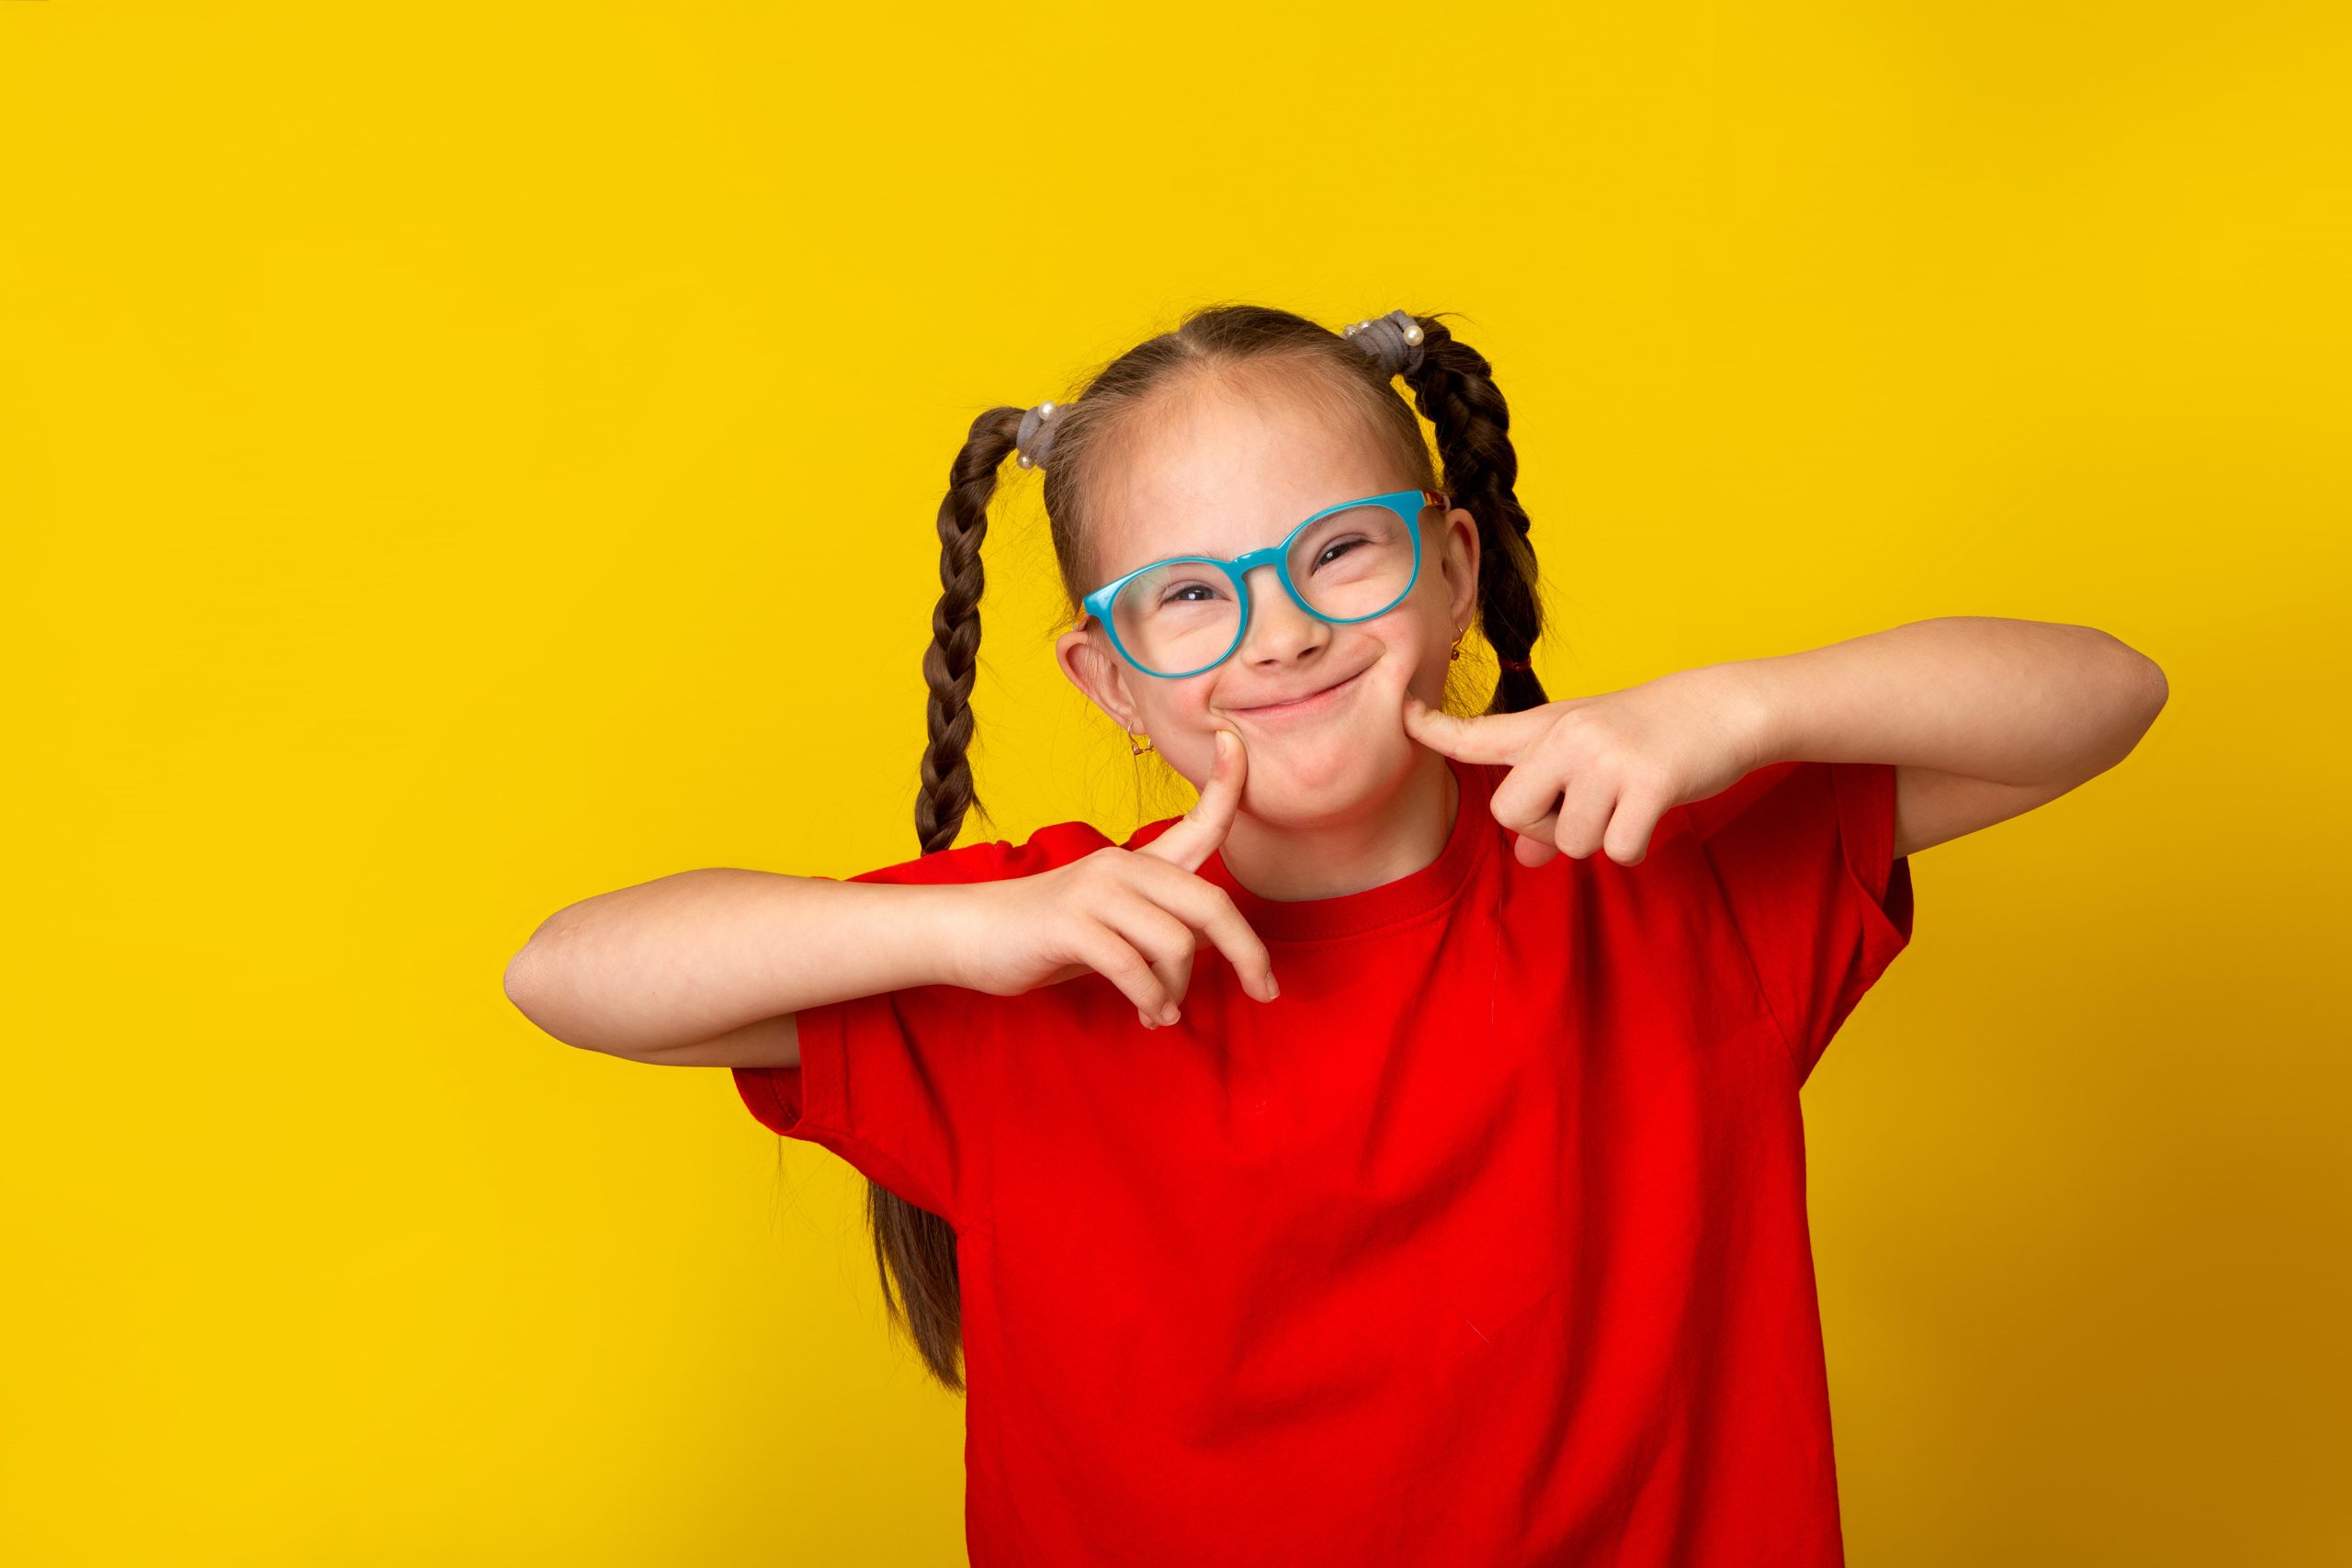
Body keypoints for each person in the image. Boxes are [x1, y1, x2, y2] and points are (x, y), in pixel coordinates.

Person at [503, 304, 2168, 1565]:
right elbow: (569, 974)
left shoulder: (1657, 866)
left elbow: (2102, 697)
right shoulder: (1047, 944)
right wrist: (973, 934)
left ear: (1452, 575)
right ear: (1111, 678)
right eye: (1191, 594)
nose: (1282, 629)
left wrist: (1742, 706)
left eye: (1341, 554)